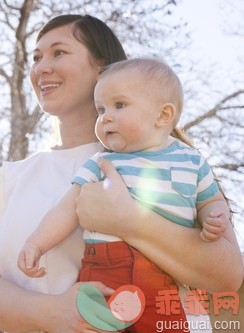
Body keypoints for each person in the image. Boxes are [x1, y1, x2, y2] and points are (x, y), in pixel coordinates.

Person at [0, 14, 243, 333]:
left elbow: (227, 275)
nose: (41, 68)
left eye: (59, 53)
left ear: (102, 67)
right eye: (36, 57)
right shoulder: (8, 179)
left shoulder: (169, 159)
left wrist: (128, 220)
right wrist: (51, 314)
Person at [17, 57, 230, 331]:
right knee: (93, 325)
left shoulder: (191, 161)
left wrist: (215, 216)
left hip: (164, 270)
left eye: (119, 105)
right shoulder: (102, 162)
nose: (105, 116)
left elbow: (211, 200)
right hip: (105, 269)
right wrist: (36, 243)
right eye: (100, 109)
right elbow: (67, 207)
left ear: (163, 115)